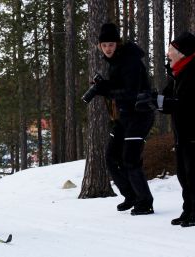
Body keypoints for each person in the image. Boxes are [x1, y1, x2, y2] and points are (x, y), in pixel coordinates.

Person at [82, 23, 155, 215]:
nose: (108, 48)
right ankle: (131, 195)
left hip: (140, 115)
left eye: (111, 45)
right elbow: (117, 85)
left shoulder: (130, 61)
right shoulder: (116, 60)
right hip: (125, 115)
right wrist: (103, 85)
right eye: (104, 45)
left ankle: (145, 201)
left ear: (117, 44)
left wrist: (105, 89)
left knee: (130, 159)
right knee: (111, 156)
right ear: (99, 45)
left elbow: (131, 92)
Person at [152, 32, 195, 227]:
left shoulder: (192, 72)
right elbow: (168, 100)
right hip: (181, 132)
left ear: (182, 53)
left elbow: (184, 103)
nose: (168, 53)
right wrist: (155, 100)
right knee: (183, 173)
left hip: (192, 132)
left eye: (172, 49)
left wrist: (166, 102)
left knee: (192, 173)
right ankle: (188, 211)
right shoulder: (176, 73)